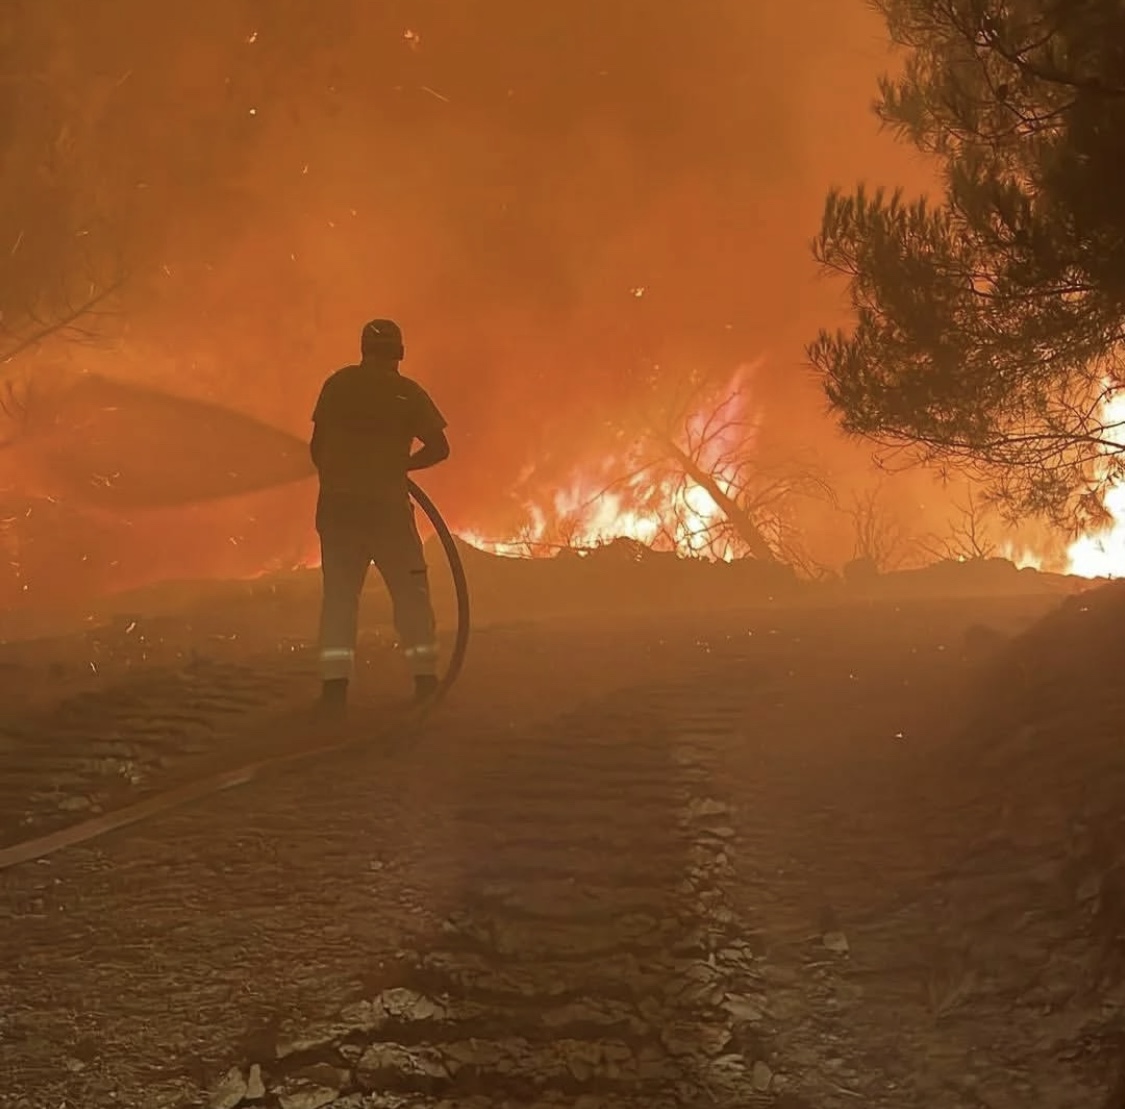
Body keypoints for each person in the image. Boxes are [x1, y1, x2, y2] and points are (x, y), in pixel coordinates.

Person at [310, 318, 450, 715]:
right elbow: (440, 448)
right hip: (388, 512)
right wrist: (401, 466)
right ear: (399, 353)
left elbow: (317, 449)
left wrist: (344, 472)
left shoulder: (337, 385)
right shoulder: (406, 394)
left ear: (362, 349)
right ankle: (425, 679)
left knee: (339, 598)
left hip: (338, 513)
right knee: (410, 594)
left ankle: (334, 689)